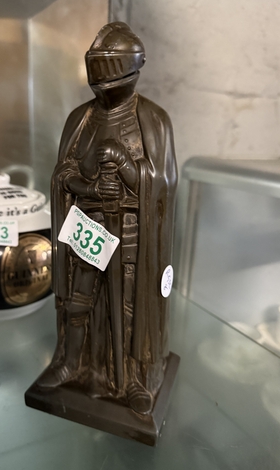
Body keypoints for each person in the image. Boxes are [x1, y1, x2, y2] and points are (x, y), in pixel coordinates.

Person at [37, 22, 177, 415]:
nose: (103, 84)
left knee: (128, 309)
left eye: (111, 72)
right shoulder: (80, 119)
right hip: (86, 231)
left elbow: (162, 183)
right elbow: (63, 174)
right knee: (77, 304)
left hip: (131, 236)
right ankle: (70, 363)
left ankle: (133, 379)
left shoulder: (153, 119)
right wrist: (89, 187)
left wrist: (127, 167)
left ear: (135, 69)